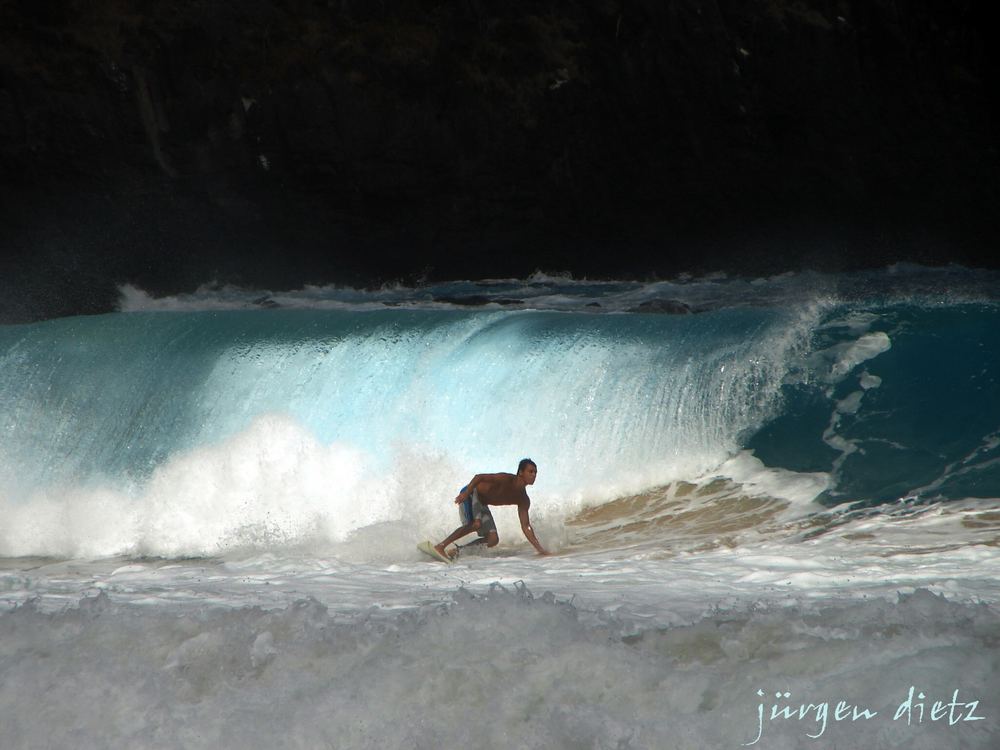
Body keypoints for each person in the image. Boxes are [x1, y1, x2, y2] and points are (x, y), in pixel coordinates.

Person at [434, 458, 550, 558]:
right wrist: (465, 494)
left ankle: (457, 551)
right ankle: (440, 546)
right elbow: (478, 477)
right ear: (520, 472)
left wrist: (540, 549)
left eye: (535, 472)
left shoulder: (523, 499)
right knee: (476, 524)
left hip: (482, 503)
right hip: (471, 493)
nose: (534, 475)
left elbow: (526, 526)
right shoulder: (506, 479)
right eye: (530, 471)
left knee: (493, 539)